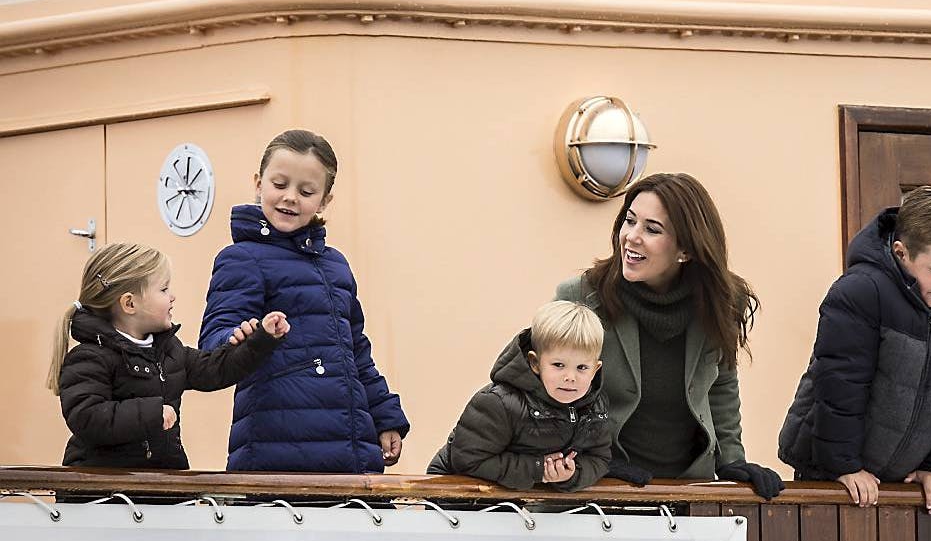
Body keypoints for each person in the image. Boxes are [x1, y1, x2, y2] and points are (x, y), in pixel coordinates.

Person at [555, 172, 784, 499]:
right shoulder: (581, 297)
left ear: (685, 250)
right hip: (600, 488)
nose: (632, 237)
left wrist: (731, 459)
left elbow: (720, 385)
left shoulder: (721, 302)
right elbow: (542, 388)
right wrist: (588, 460)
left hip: (688, 491)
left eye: (652, 229)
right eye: (629, 221)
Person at [199, 129, 409, 473]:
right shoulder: (241, 258)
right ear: (258, 183)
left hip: (351, 456)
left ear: (325, 200)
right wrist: (241, 336)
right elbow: (215, 338)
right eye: (279, 184)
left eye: (306, 191)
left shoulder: (336, 264)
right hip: (277, 456)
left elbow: (355, 351)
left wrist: (384, 414)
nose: (290, 197)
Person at [778, 186, 931, 514]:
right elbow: (840, 385)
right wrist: (843, 465)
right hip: (831, 469)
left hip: (907, 476)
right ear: (902, 253)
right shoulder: (860, 292)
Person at [48, 242, 287, 469]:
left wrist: (261, 340)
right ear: (129, 304)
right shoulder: (89, 357)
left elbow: (216, 369)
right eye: (163, 289)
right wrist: (152, 413)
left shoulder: (169, 351)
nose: (172, 296)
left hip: (160, 483)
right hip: (102, 493)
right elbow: (87, 417)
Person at [427, 300, 611, 492]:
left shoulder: (595, 407)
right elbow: (467, 459)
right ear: (535, 363)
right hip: (452, 497)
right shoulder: (498, 402)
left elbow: (600, 458)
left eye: (582, 368)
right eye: (558, 365)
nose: (570, 377)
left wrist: (570, 474)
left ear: (595, 370)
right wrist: (538, 469)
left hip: (514, 504)